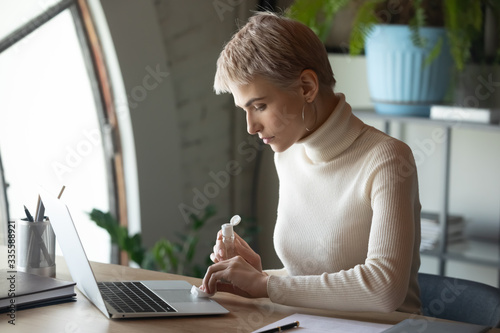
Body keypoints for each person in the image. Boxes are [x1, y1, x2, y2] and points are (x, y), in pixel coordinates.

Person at [200, 11, 421, 314]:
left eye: (260, 106)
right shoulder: (287, 155)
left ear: (306, 87)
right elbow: (313, 283)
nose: (251, 127)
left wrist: (266, 286)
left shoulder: (387, 159)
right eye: (244, 110)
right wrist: (258, 277)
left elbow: (384, 290)